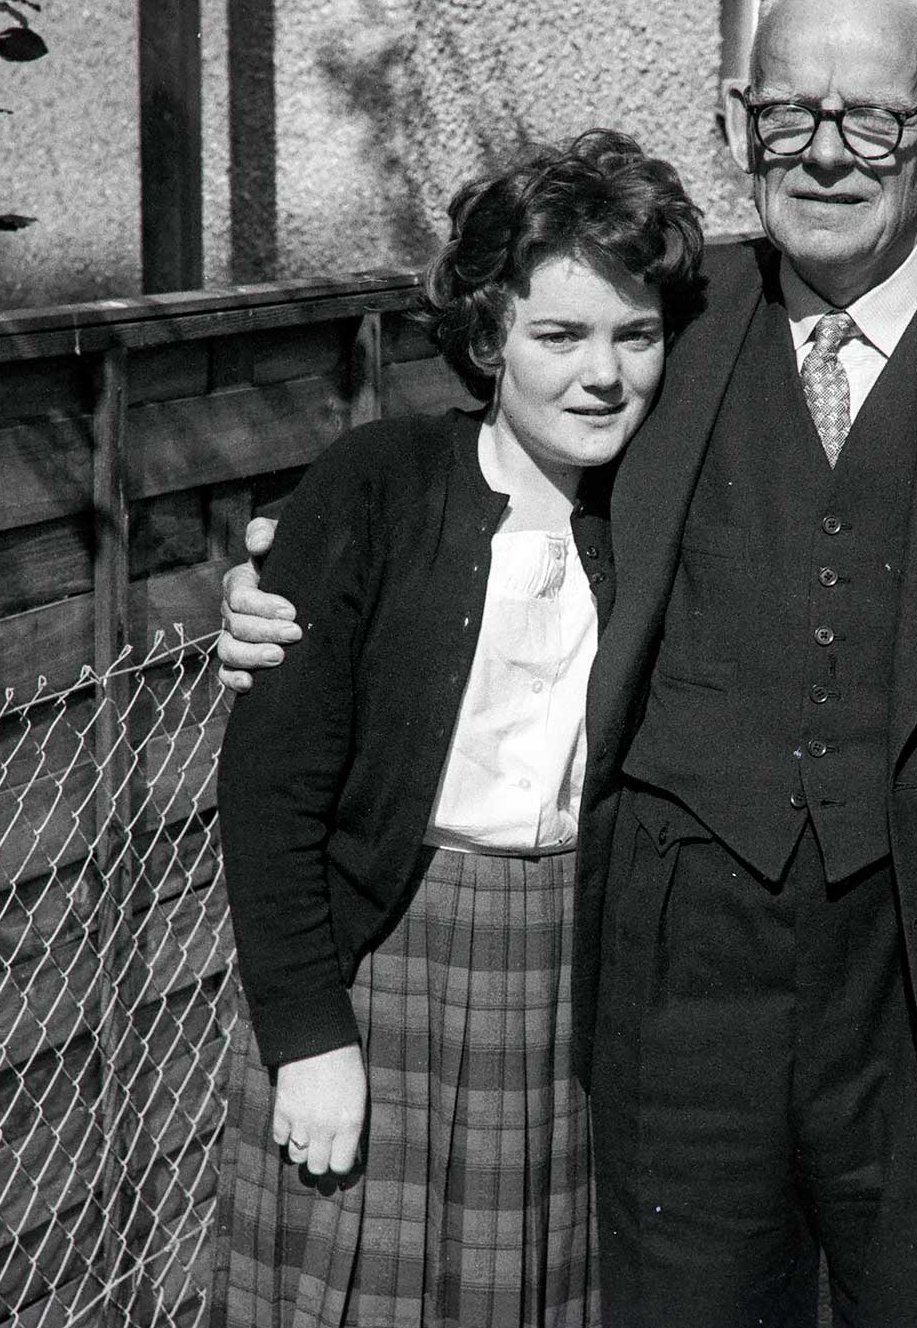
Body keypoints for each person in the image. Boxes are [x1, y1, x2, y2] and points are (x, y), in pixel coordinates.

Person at [220, 0, 917, 1328]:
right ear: (739, 126)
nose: (828, 155)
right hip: (681, 976)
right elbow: (490, 448)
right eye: (788, 113)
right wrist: (283, 582)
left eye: (873, 121)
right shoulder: (670, 316)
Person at [207, 130, 702, 1328]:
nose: (601, 374)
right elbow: (270, 790)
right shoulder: (377, 487)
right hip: (391, 955)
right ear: (485, 340)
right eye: (558, 334)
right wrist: (309, 1035)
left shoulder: (667, 512)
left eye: (634, 336)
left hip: (580, 967)